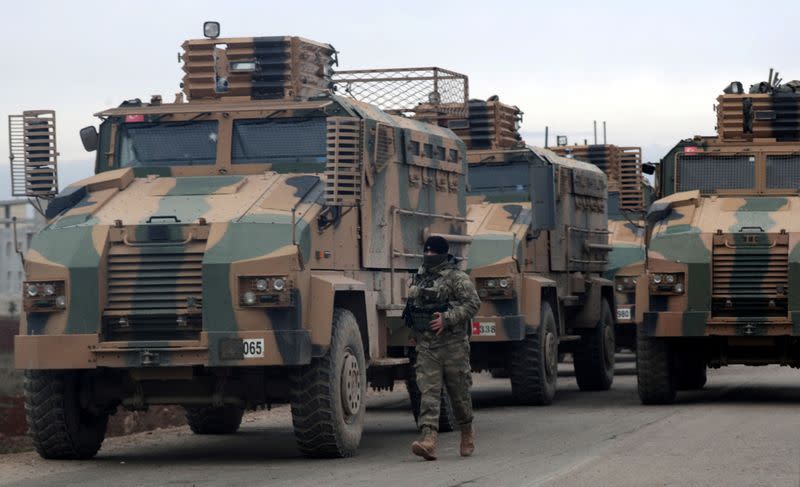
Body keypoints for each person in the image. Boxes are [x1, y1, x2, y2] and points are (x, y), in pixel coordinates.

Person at [405, 235, 480, 461]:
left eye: (432, 253)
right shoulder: (420, 278)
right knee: (428, 393)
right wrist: (414, 334)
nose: (428, 256)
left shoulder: (457, 278)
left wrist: (447, 319)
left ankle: (467, 431)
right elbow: (413, 308)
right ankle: (428, 440)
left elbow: (473, 304)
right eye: (425, 252)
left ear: (442, 253)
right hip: (427, 346)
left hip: (453, 345)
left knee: (459, 395)